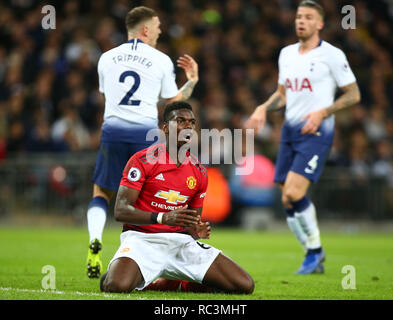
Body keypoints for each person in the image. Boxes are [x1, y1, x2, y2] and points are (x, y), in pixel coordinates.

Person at [245, 0, 360, 274]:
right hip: (290, 131)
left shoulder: (331, 55)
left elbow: (354, 95)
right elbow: (282, 95)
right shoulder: (286, 54)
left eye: (308, 17)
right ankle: (312, 253)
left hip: (316, 131)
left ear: (319, 24)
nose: (301, 21)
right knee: (286, 199)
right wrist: (262, 107)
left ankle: (315, 252)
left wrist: (324, 112)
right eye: (299, 16)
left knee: (295, 192)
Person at [86, 6, 200, 278]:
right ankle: (147, 256)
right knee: (145, 198)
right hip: (145, 136)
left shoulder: (106, 58)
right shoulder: (160, 60)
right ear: (146, 29)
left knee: (102, 193)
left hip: (112, 132)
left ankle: (94, 239)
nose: (160, 31)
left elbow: (108, 96)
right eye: (158, 26)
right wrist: (192, 81)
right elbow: (174, 105)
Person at [100, 101, 254, 294]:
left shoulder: (199, 172)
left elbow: (190, 223)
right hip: (143, 240)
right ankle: (134, 275)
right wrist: (162, 218)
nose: (187, 126)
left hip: (180, 244)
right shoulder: (142, 160)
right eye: (180, 121)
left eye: (191, 122)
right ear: (165, 127)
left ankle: (173, 283)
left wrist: (196, 229)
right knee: (116, 285)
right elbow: (121, 210)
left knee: (244, 285)